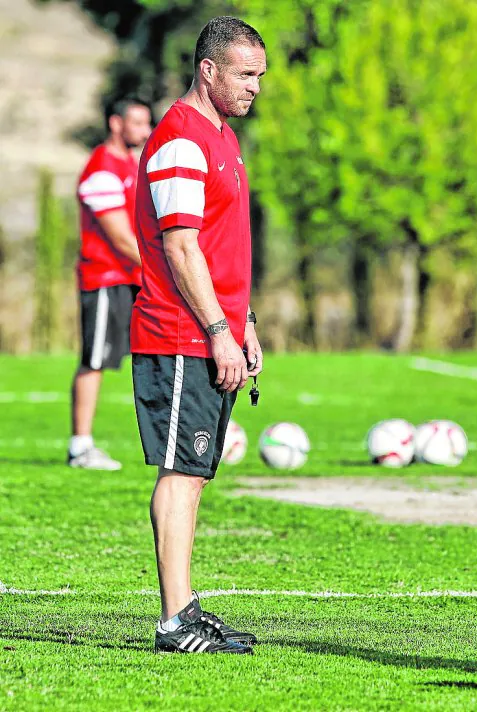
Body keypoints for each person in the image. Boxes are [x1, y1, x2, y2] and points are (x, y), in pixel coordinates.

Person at [132, 17, 266, 654]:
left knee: (195, 471)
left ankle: (185, 608)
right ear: (208, 70)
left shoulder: (223, 137)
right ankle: (174, 621)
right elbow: (181, 248)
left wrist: (244, 324)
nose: (255, 87)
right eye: (245, 74)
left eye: (260, 76)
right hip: (180, 331)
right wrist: (217, 329)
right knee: (181, 473)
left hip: (210, 328)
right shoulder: (182, 139)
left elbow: (219, 246)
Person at [68, 97, 152, 470]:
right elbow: (120, 237)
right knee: (95, 360)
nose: (145, 131)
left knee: (154, 354)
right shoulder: (102, 168)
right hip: (105, 278)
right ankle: (80, 447)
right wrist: (164, 268)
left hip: (133, 277)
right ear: (116, 124)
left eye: (147, 123)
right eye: (137, 123)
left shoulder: (131, 165)